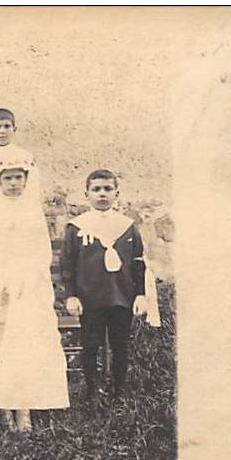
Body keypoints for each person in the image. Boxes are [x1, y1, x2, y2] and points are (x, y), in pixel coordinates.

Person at [0, 161, 69, 432]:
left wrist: (26, 280)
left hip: (26, 288)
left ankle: (23, 405)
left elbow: (40, 253)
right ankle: (2, 407)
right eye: (7, 178)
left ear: (25, 181)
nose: (13, 183)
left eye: (18, 178)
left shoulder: (31, 212)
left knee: (24, 344)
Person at [61, 169, 149, 403]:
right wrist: (71, 295)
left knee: (120, 345)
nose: (102, 194)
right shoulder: (77, 227)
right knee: (91, 345)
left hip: (121, 296)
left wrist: (140, 294)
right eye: (96, 189)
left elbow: (138, 262)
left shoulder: (127, 227)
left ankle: (119, 392)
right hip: (91, 297)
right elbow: (68, 264)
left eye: (107, 189)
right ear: (86, 194)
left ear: (116, 193)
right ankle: (93, 393)